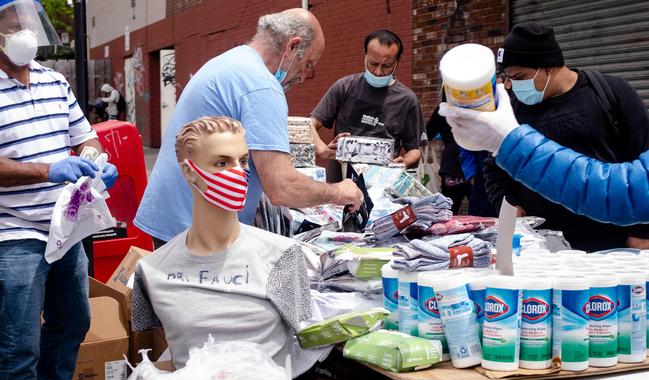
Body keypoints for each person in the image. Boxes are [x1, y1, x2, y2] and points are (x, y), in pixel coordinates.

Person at [0, 0, 118, 380]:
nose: (25, 33)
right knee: (18, 342)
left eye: (28, 23)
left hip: (62, 226)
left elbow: (85, 136)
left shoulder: (53, 79)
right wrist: (49, 169)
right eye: (13, 26)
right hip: (13, 230)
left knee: (73, 318)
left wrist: (94, 159)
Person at [134, 9, 363, 247]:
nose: (303, 77)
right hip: (195, 229)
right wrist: (338, 192)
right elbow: (281, 187)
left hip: (177, 217)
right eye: (307, 65)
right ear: (292, 47)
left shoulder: (233, 61)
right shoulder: (261, 86)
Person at [131, 116, 318, 376]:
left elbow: (307, 341)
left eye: (242, 161)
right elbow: (157, 347)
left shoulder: (283, 255)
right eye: (222, 163)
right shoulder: (151, 271)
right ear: (189, 172)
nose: (238, 173)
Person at [482, 22, 649, 251]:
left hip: (609, 242)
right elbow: (494, 166)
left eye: (520, 76)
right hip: (541, 244)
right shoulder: (514, 109)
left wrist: (642, 233)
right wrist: (510, 205)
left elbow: (642, 157)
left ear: (548, 67)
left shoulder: (611, 93)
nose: (511, 86)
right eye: (507, 77)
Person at [441, 83, 649, 227]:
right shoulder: (518, 106)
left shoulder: (609, 92)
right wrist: (508, 143)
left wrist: (511, 142)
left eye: (521, 77)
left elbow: (619, 189)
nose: (514, 83)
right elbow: (619, 189)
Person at [310, 29, 427, 183]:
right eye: (373, 63)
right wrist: (322, 149)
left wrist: (404, 162)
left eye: (386, 66)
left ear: (397, 62)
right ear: (365, 55)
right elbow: (310, 124)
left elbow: (416, 148)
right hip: (339, 183)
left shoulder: (407, 100)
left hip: (381, 185)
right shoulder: (345, 87)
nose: (378, 72)